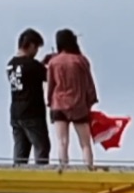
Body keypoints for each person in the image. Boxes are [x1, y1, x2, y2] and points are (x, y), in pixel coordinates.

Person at [45, 29, 100, 166]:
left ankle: (64, 168)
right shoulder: (81, 60)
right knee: (85, 143)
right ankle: (88, 167)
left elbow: (51, 84)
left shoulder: (53, 62)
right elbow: (89, 83)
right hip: (79, 105)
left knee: (62, 142)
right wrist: (91, 101)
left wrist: (49, 101)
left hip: (58, 103)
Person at [6, 30, 50, 166]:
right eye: (36, 47)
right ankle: (41, 179)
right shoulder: (33, 66)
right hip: (32, 113)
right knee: (42, 147)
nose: (36, 51)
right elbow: (50, 76)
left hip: (15, 113)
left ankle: (17, 180)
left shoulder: (10, 64)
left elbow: (25, 75)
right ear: (30, 45)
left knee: (20, 151)